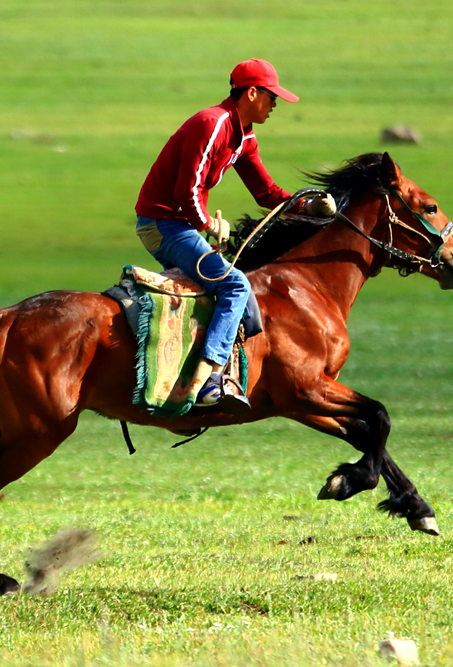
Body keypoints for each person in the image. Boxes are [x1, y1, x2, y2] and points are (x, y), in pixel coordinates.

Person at [135, 58, 335, 414]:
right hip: (162, 224)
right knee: (235, 286)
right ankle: (212, 380)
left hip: (179, 224)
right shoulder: (212, 124)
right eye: (271, 97)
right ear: (252, 93)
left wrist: (305, 206)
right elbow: (187, 190)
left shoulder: (245, 137)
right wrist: (208, 223)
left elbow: (266, 194)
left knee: (220, 286)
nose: (275, 105)